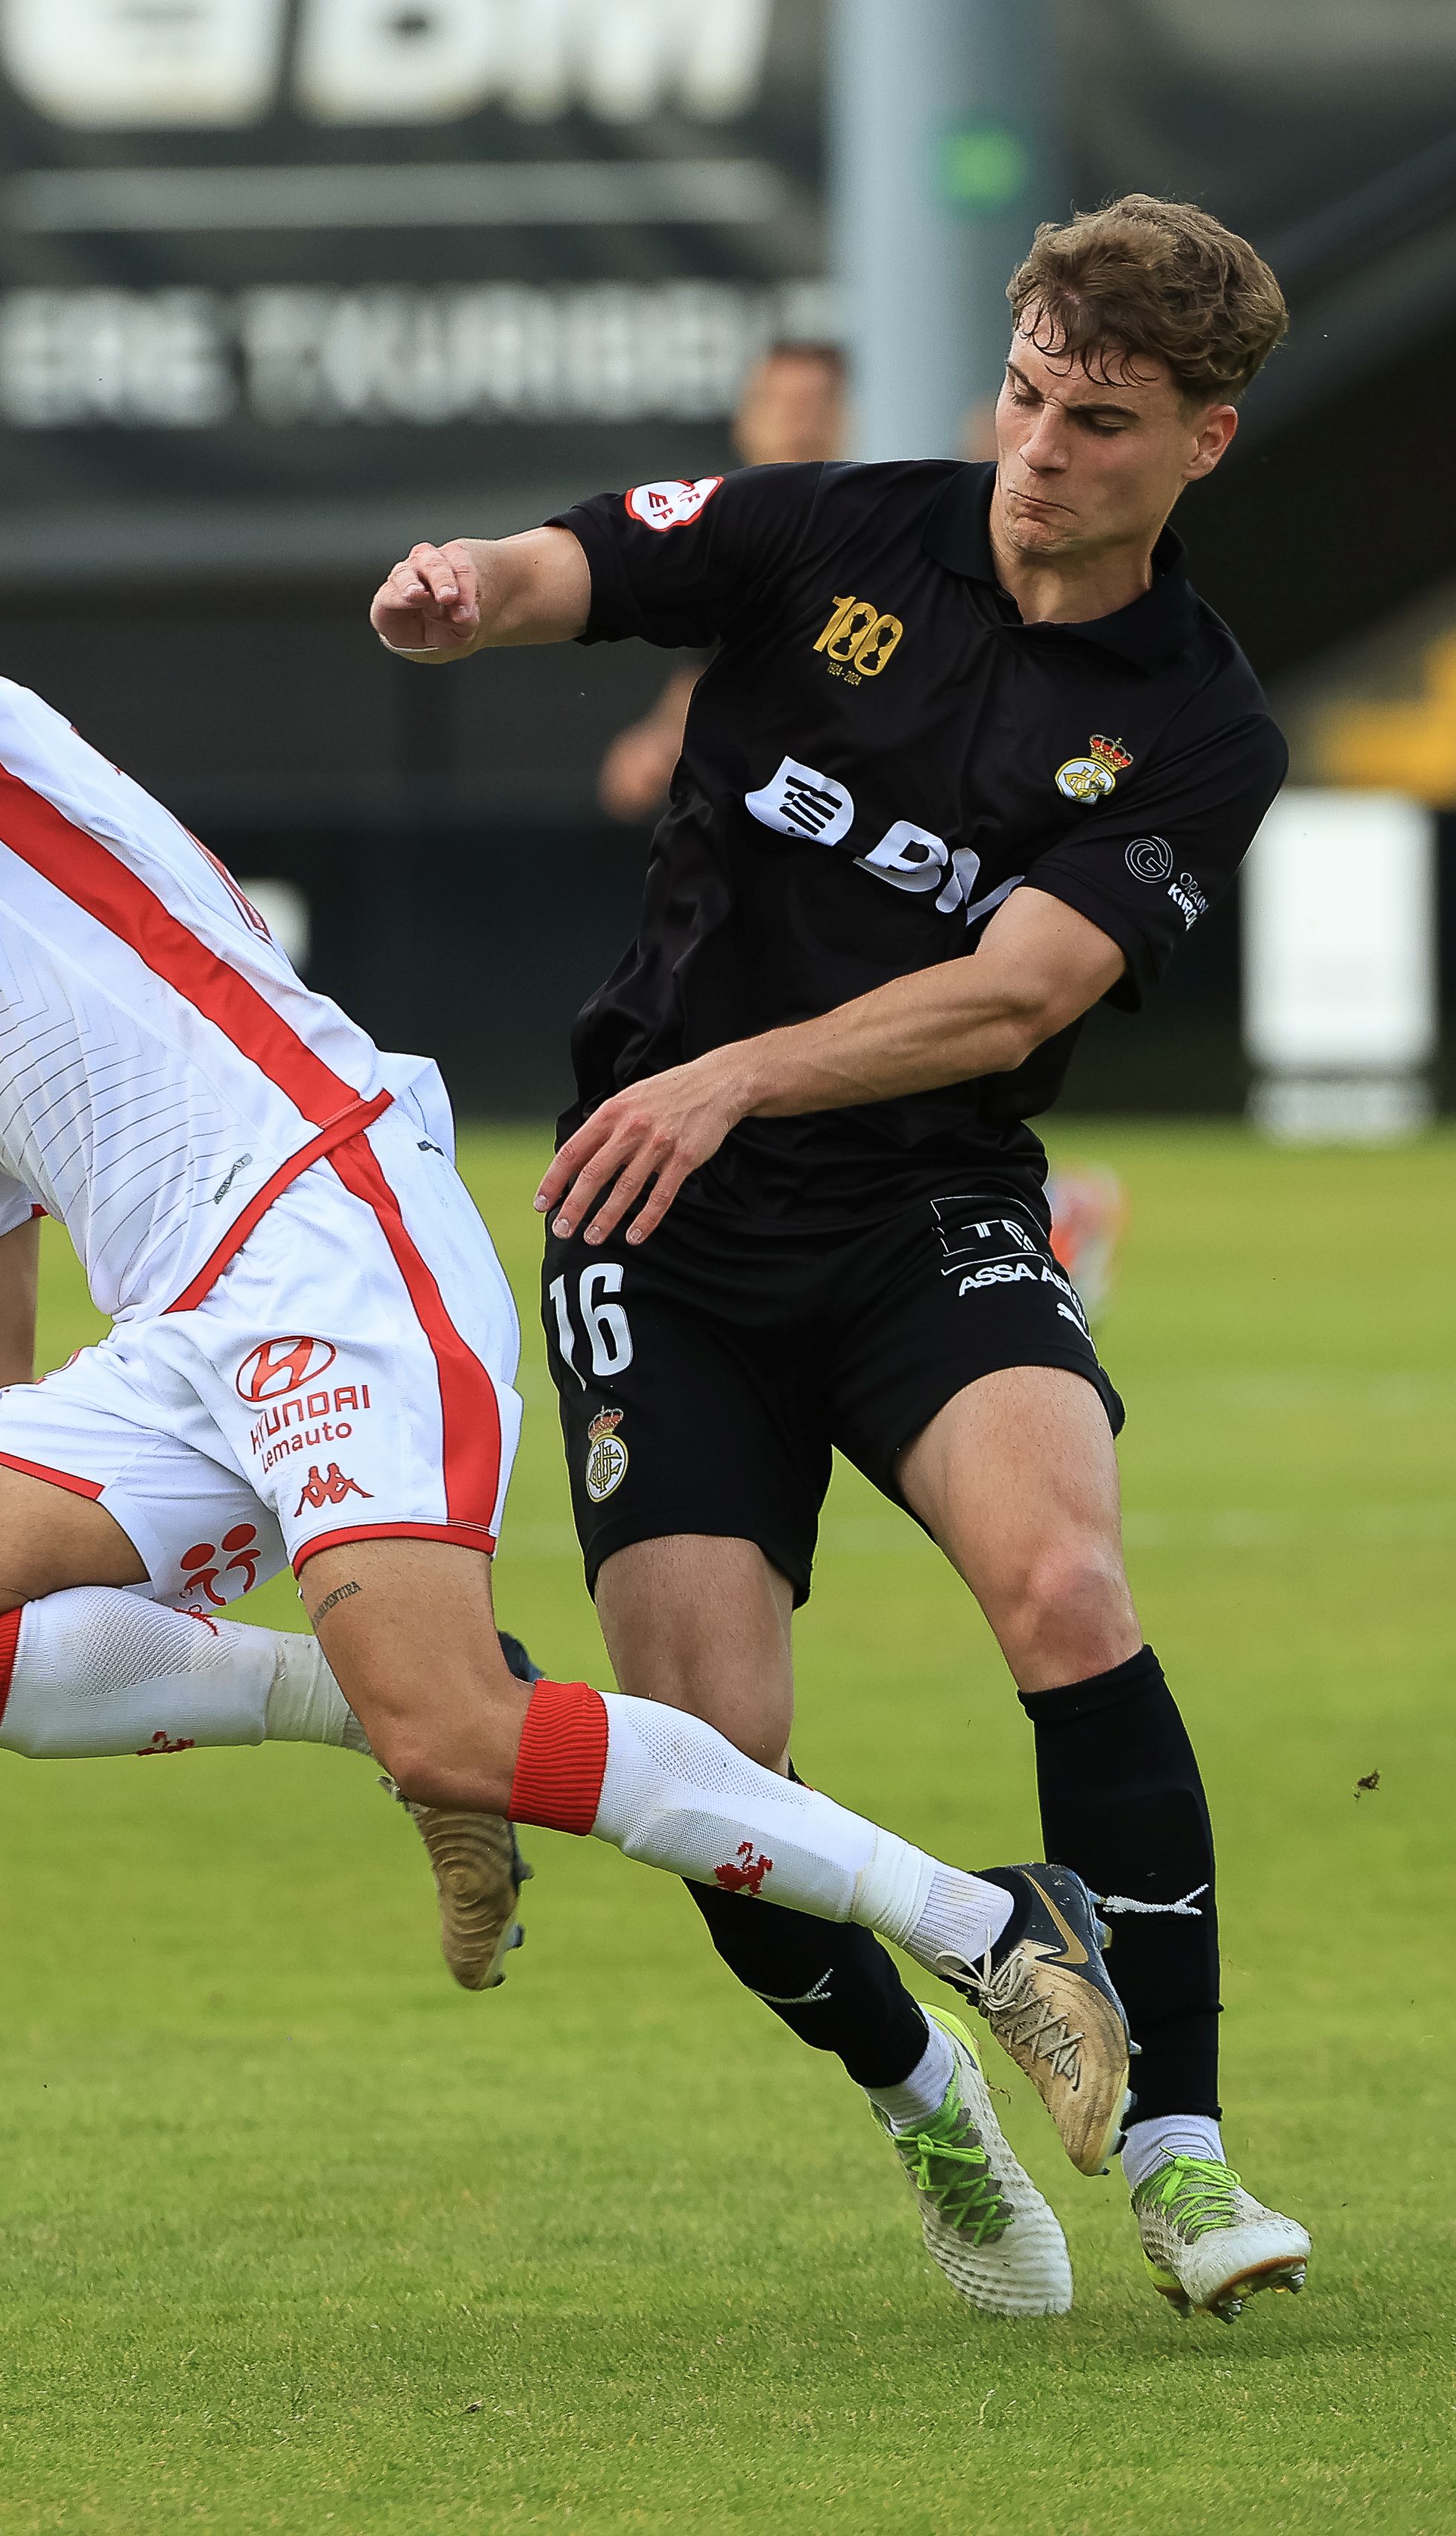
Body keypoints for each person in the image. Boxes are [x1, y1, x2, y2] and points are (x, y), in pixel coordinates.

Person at [0, 531, 1140, 2277]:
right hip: (189, 1339)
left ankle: (991, 1925)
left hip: (327, 1228)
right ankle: (389, 1712)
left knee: (455, 1728)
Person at [365, 196, 1311, 2323]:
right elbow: (580, 561)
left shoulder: (1198, 722)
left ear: (1203, 442)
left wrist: (735, 1076)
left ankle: (1180, 2152)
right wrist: (467, 592)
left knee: (1066, 1584)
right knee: (709, 1759)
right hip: (658, 1223)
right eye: (1026, 394)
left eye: (1098, 422)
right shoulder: (836, 530)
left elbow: (1015, 992)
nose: (1039, 449)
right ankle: (919, 2091)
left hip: (921, 1202)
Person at [597, 341, 849, 824]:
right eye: (781, 404)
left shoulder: (882, 536)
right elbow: (704, 673)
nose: (798, 424)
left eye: (815, 405)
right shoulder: (728, 547)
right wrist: (657, 741)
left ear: (846, 419)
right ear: (744, 422)